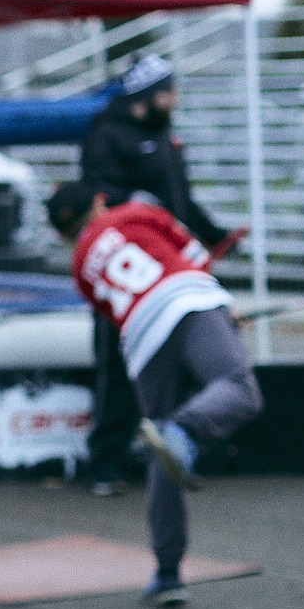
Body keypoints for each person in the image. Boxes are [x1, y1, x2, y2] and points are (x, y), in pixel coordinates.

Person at [48, 182, 262, 607]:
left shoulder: (79, 268)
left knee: (160, 447)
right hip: (188, 301)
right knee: (239, 391)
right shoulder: (131, 211)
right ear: (96, 201)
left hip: (141, 340)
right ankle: (185, 429)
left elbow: (112, 311)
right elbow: (195, 253)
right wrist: (223, 306)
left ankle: (167, 574)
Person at [77, 54, 243, 496]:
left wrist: (216, 235)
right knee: (117, 366)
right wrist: (136, 202)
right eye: (167, 92)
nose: (174, 99)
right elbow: (100, 198)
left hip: (171, 274)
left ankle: (166, 453)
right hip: (127, 277)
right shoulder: (107, 135)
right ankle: (105, 465)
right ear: (145, 97)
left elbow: (181, 204)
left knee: (178, 367)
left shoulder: (164, 136)